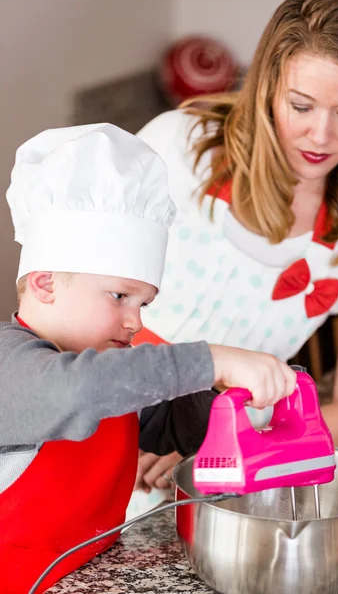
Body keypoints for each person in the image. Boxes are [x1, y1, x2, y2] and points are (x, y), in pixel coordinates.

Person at [0, 123, 296, 593]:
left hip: (96, 576)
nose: (135, 321)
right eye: (119, 296)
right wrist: (211, 359)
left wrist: (232, 393)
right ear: (45, 284)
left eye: (143, 304)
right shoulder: (11, 367)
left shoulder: (118, 374)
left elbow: (179, 426)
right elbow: (74, 390)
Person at [134, 0, 338, 494]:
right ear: (268, 89)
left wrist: (217, 440)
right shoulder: (176, 148)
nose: (320, 135)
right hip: (92, 426)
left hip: (215, 474)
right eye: (301, 106)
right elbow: (63, 312)